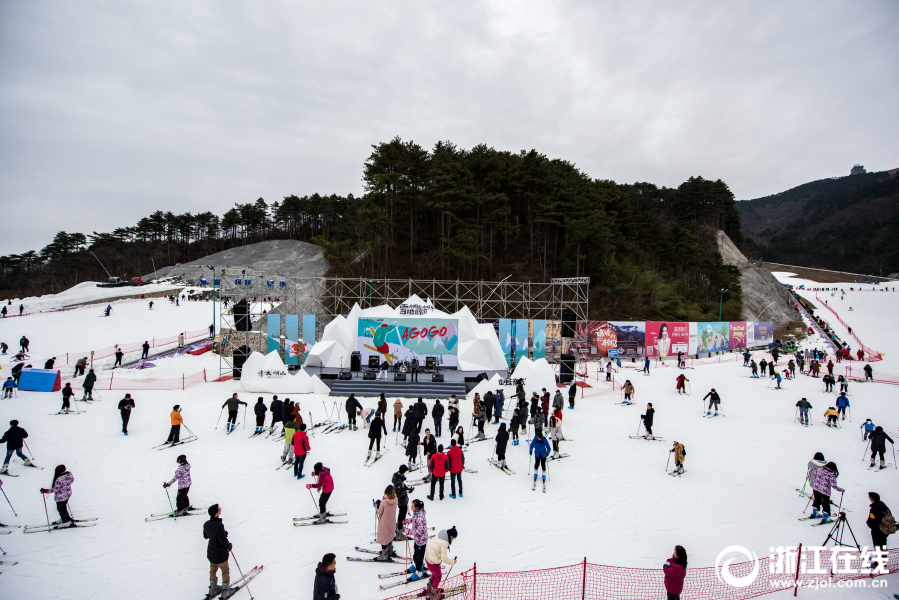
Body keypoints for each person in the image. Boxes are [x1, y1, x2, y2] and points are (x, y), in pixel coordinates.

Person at [203, 505, 234, 599]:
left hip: (211, 553)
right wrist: (229, 546)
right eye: (219, 509)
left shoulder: (207, 524)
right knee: (225, 570)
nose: (220, 509)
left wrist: (221, 533)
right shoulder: (219, 525)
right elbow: (223, 541)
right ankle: (225, 590)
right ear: (216, 513)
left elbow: (206, 536)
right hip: (220, 554)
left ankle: (212, 588)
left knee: (213, 570)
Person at [424, 527, 458, 598]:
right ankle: (433, 593)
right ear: (451, 536)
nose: (452, 540)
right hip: (432, 561)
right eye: (453, 538)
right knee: (438, 576)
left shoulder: (442, 534)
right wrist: (453, 562)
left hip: (429, 557)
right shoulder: (444, 543)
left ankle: (430, 587)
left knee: (435, 573)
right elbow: (444, 559)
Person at [404, 499, 429, 581]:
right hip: (417, 539)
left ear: (417, 507)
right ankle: (416, 565)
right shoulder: (416, 513)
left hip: (421, 540)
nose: (411, 507)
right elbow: (414, 519)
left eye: (412, 506)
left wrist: (410, 531)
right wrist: (408, 521)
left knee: (419, 556)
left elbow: (420, 531)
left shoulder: (420, 517)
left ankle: (419, 571)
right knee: (416, 554)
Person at [866, 492, 892, 566]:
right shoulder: (884, 506)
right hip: (886, 530)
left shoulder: (874, 509)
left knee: (878, 546)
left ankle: (878, 563)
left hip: (877, 531)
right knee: (883, 544)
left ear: (871, 499)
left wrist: (868, 523)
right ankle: (883, 560)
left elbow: (871, 522)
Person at [374, 486, 399, 561]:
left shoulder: (384, 502)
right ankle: (390, 551)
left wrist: (376, 507)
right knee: (389, 536)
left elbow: (379, 512)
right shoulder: (395, 499)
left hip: (384, 523)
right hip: (392, 522)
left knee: (383, 538)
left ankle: (384, 554)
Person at [393, 465, 414, 535]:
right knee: (401, 515)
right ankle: (399, 528)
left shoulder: (399, 478)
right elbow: (398, 493)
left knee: (402, 514)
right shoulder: (398, 481)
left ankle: (400, 526)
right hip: (401, 501)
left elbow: (403, 486)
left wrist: (408, 489)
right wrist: (406, 491)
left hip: (403, 500)